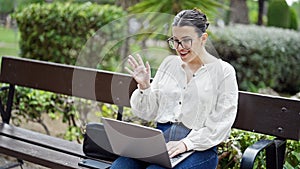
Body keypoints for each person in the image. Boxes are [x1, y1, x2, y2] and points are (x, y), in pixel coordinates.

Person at [110, 9, 238, 169]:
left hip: (199, 147)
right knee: (120, 167)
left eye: (186, 40)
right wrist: (144, 87)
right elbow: (148, 113)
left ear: (203, 38)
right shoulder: (169, 64)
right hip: (162, 140)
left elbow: (221, 123)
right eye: (175, 41)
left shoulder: (224, 72)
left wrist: (185, 144)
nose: (179, 47)